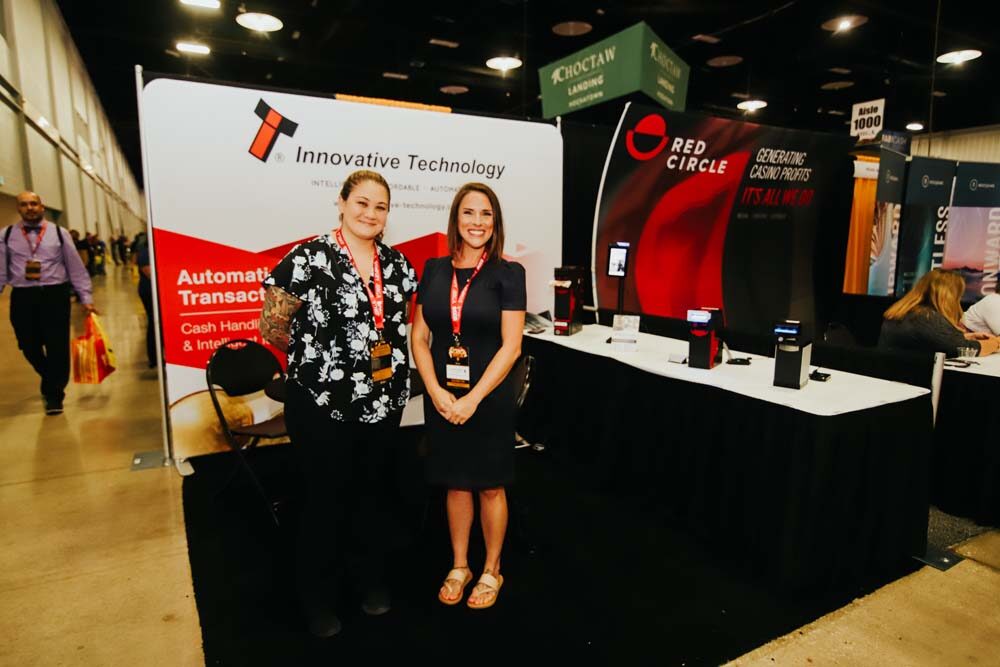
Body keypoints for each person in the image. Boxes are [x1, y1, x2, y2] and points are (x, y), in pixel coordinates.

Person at [258, 169, 416, 637]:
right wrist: (321, 363)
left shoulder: (398, 265)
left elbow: (398, 325)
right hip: (321, 405)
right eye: (362, 202)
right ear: (342, 202)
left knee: (372, 494)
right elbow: (272, 327)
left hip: (382, 403)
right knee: (324, 500)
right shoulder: (307, 258)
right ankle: (318, 598)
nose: (370, 213)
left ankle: (370, 582)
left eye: (380, 206)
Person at [411, 182, 526, 610]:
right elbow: (419, 338)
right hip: (443, 398)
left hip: (488, 398)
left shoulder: (508, 274)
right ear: (455, 219)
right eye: (469, 212)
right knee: (455, 482)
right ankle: (460, 564)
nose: (477, 222)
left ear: (495, 222)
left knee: (491, 486)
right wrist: (435, 391)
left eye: (486, 214)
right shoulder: (433, 270)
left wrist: (473, 399)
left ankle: (492, 568)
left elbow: (511, 346)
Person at [0, 192, 96, 414]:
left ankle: (54, 395)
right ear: (18, 209)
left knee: (57, 346)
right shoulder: (6, 235)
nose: (30, 208)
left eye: (34, 203)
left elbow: (75, 268)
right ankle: (50, 377)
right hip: (23, 296)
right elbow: (1, 270)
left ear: (42, 207)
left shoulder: (60, 233)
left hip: (55, 295)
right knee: (27, 344)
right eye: (24, 204)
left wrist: (86, 298)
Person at [879, 268, 1000, 358]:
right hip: (910, 378)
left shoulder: (905, 312)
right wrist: (995, 343)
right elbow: (964, 349)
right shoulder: (926, 317)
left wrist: (967, 337)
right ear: (948, 295)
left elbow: (932, 340)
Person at [136, 239, 156, 368]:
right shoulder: (145, 253)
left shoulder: (147, 251)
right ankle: (154, 357)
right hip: (149, 292)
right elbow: (149, 272)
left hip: (151, 291)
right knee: (154, 323)